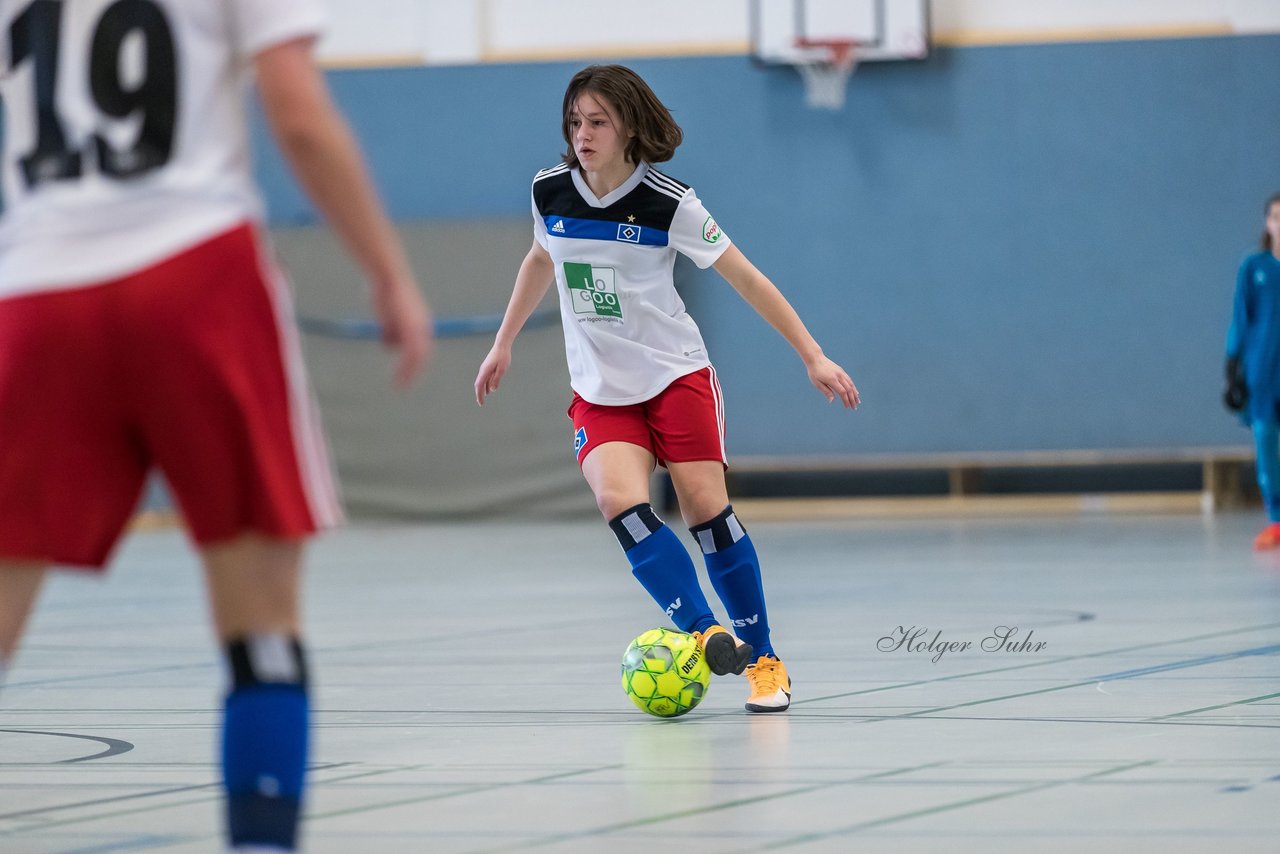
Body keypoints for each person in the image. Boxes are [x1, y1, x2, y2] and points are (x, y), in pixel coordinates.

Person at [0, 1, 432, 850]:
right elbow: (299, 115)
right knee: (260, 615)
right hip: (195, 269)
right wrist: (388, 271)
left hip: (40, 288)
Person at [474, 64, 858, 713]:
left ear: (628, 126)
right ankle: (705, 632)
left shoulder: (668, 202)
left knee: (707, 513)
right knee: (616, 499)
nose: (583, 134)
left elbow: (748, 278)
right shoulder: (550, 192)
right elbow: (540, 257)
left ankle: (763, 659)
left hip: (674, 375)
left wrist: (812, 355)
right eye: (575, 121)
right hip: (601, 389)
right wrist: (503, 340)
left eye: (597, 121)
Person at [1225, 192, 1280, 550]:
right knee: (1265, 440)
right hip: (1263, 371)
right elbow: (1240, 319)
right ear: (1267, 223)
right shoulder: (1254, 267)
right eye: (1276, 216)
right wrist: (1232, 365)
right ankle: (1276, 519)